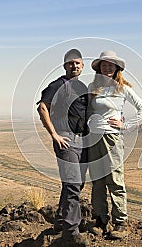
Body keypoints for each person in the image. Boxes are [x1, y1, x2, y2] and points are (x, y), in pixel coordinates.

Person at [87, 50, 142, 239]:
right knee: (97, 181)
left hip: (112, 137)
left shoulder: (123, 88)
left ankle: (120, 222)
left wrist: (126, 124)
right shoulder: (93, 87)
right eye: (104, 65)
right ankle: (100, 220)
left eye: (110, 65)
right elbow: (89, 110)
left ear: (116, 69)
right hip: (93, 137)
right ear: (99, 68)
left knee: (114, 179)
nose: (107, 68)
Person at [37, 48, 89, 246]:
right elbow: (42, 107)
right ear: (64, 66)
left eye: (77, 63)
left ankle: (60, 219)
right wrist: (54, 134)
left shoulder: (82, 86)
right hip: (66, 140)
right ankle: (71, 230)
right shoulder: (58, 85)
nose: (74, 66)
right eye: (70, 63)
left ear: (82, 66)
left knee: (75, 183)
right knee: (73, 183)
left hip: (82, 140)